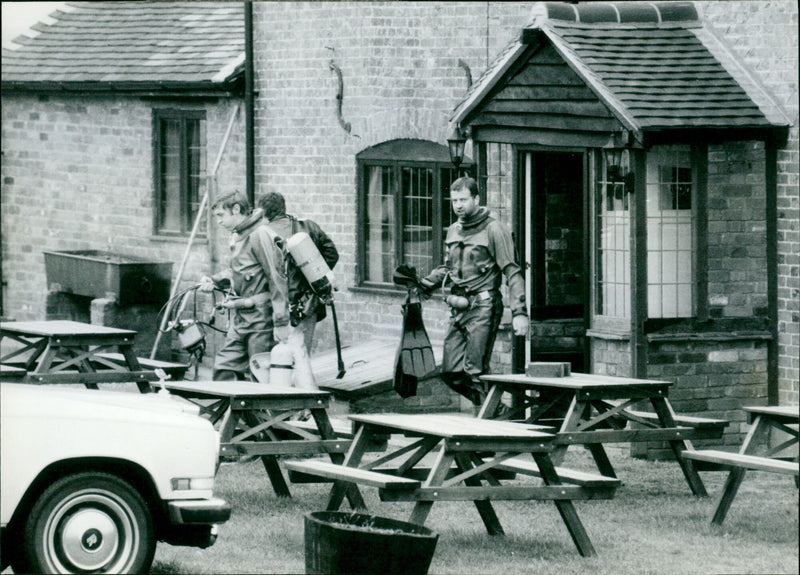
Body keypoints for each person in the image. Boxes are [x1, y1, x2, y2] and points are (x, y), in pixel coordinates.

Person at [420, 176, 529, 410]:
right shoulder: (453, 231)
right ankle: (498, 411)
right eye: (454, 200)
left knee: (474, 371)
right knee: (450, 372)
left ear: (476, 199)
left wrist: (520, 312)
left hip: (484, 307)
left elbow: (512, 271)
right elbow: (449, 267)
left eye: (463, 199)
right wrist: (424, 284)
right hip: (458, 308)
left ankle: (486, 426)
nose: (458, 205)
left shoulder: (494, 229)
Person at [199, 191, 289, 381]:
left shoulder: (260, 234)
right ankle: (227, 411)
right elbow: (238, 270)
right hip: (241, 319)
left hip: (261, 320)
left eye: (221, 215)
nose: (219, 221)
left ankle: (256, 411)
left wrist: (281, 322)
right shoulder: (238, 236)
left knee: (259, 375)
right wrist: (214, 280)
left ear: (236, 209)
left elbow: (277, 279)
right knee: (224, 367)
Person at [258, 191, 339, 354]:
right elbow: (332, 254)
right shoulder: (309, 226)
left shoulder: (263, 235)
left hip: (278, 307)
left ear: (264, 212)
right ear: (283, 208)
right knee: (302, 353)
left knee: (280, 357)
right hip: (308, 303)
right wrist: (311, 276)